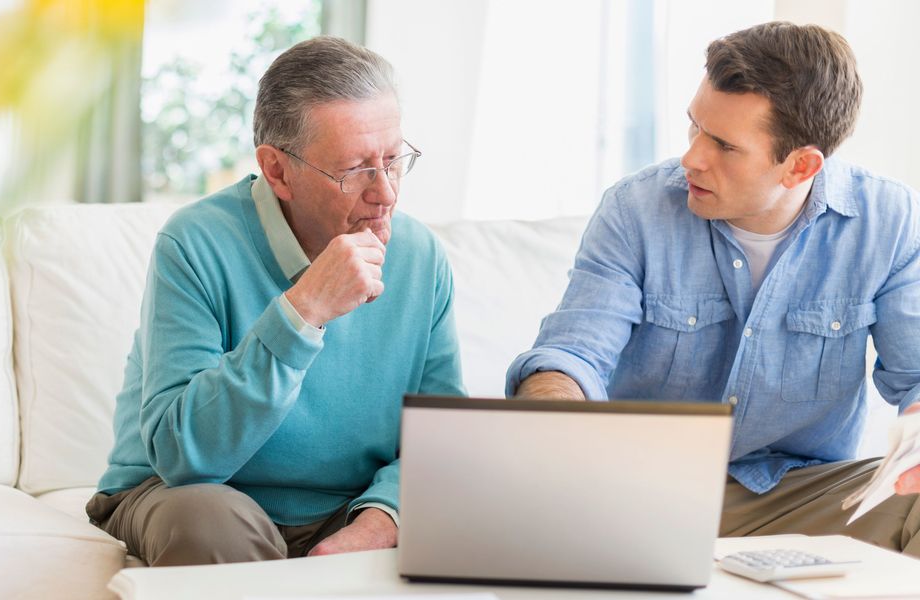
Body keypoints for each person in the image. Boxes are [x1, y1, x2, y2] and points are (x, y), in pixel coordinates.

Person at [506, 21, 920, 555]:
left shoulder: (887, 220)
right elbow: (574, 352)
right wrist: (554, 416)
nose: (692, 158)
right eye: (694, 127)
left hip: (797, 496)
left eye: (724, 145)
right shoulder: (635, 210)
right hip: (637, 494)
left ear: (801, 166)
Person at [86, 36, 464, 566]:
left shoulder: (421, 257)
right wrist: (302, 312)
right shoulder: (194, 242)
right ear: (278, 170)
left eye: (395, 160)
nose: (385, 193)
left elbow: (442, 437)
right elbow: (182, 457)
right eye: (355, 169)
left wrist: (383, 518)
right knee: (210, 525)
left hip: (348, 507)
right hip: (184, 494)